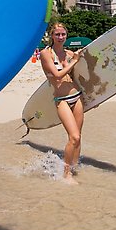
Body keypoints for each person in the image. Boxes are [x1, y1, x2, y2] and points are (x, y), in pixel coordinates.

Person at [40, 23, 85, 184]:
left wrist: (96, 97)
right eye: (57, 34)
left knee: (78, 139)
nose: (60, 37)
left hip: (77, 96)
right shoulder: (46, 54)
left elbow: (81, 76)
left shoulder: (69, 53)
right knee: (74, 137)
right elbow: (57, 75)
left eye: (63, 34)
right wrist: (74, 62)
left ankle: (74, 167)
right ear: (52, 36)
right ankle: (66, 174)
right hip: (61, 100)